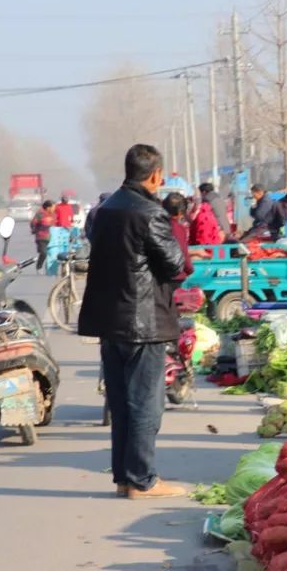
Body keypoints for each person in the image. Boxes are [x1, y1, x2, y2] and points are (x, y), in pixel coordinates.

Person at [78, 144, 188, 500]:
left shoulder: (104, 210)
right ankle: (143, 479)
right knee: (145, 403)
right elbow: (174, 264)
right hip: (143, 322)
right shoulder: (150, 213)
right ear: (156, 175)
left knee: (123, 402)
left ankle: (126, 477)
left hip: (111, 322)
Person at [162, 192, 194, 291]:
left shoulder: (157, 224)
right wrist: (189, 269)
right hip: (174, 277)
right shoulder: (178, 228)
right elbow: (182, 253)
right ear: (180, 212)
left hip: (158, 276)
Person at [30, 200, 56, 273]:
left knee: (52, 254)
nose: (54, 209)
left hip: (52, 237)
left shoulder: (53, 215)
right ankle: (39, 266)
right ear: (48, 208)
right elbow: (33, 223)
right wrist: (34, 230)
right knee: (44, 253)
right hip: (41, 237)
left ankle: (51, 268)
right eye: (53, 207)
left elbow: (56, 224)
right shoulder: (40, 214)